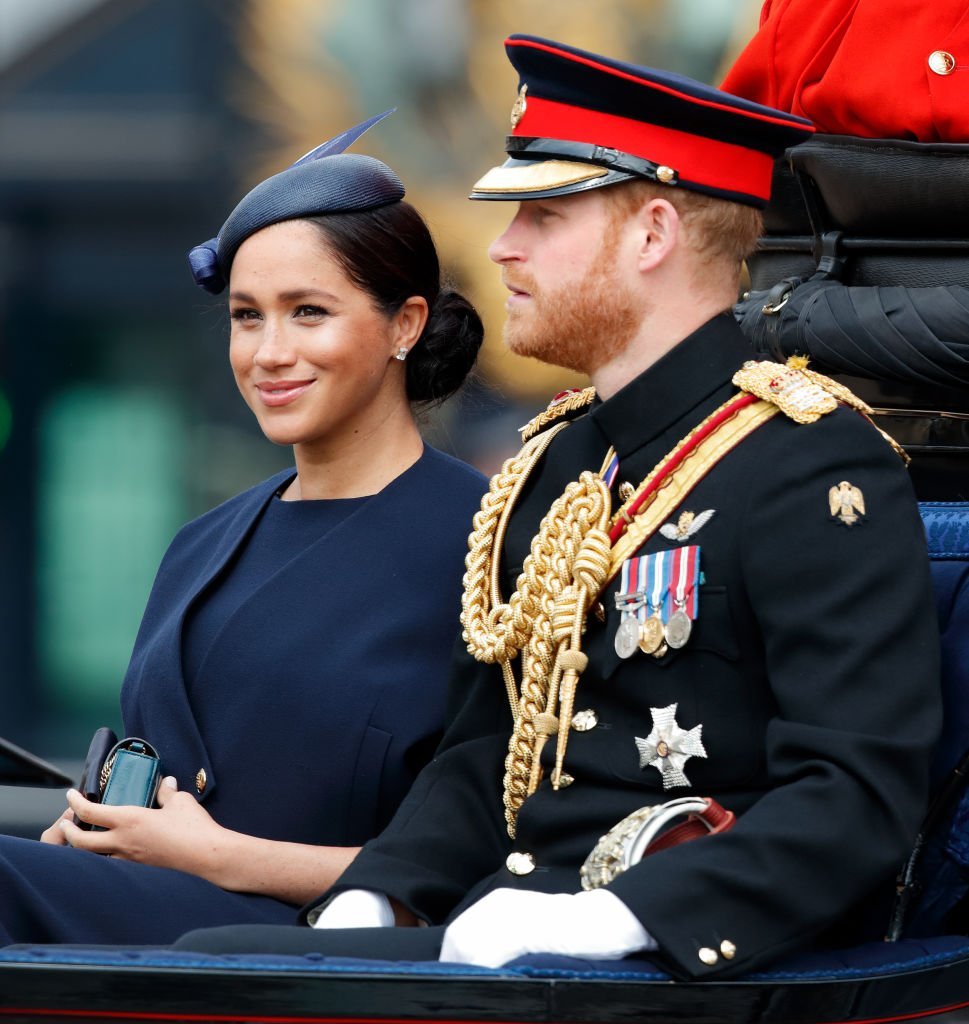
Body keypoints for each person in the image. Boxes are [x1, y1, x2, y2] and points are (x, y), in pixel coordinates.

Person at [175, 37, 942, 980]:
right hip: (510, 932)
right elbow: (485, 750)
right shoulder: (555, 458)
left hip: (699, 968)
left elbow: (852, 792)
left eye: (541, 214)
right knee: (197, 966)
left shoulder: (808, 463)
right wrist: (382, 891)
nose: (499, 246)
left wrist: (627, 916)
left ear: (652, 234)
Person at [0, 113, 486, 946]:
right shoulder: (204, 542)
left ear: (405, 324)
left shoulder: (484, 541)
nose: (267, 351)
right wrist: (92, 833)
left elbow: (494, 860)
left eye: (308, 312)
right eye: (246, 316)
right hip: (147, 923)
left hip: (312, 945)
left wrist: (220, 855)